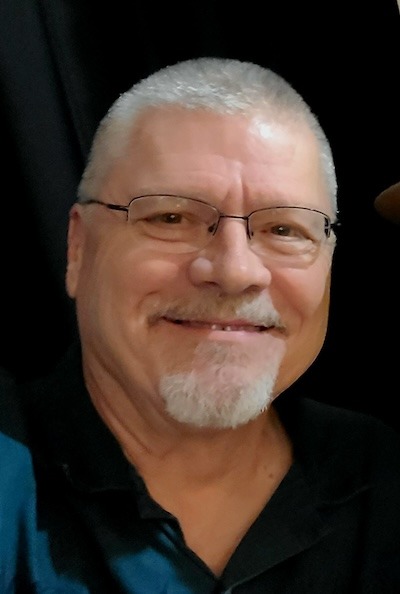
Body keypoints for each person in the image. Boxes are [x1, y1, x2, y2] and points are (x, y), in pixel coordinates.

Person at [1, 57, 399, 593]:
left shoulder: (381, 476)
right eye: (171, 217)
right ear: (79, 247)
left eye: (285, 229)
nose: (235, 272)